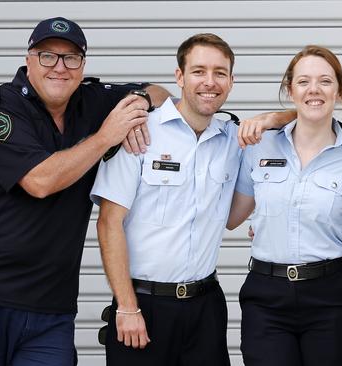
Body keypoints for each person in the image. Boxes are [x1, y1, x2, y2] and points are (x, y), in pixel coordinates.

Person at [0, 17, 169, 366]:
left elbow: (160, 92)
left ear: (82, 66)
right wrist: (106, 136)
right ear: (29, 60)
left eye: (71, 58)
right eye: (48, 56)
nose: (60, 67)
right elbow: (39, 181)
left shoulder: (90, 101)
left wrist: (140, 103)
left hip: (52, 309)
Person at [90, 33, 238, 365]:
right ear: (179, 77)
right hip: (144, 305)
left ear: (231, 80)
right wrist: (127, 307)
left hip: (206, 307)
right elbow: (109, 222)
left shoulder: (232, 140)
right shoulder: (140, 132)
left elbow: (299, 121)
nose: (209, 82)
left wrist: (273, 118)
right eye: (199, 71)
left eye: (220, 73)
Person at [226, 45, 342, 366]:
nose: (314, 89)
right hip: (266, 298)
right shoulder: (259, 145)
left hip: (330, 298)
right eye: (304, 81)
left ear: (340, 91)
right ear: (290, 90)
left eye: (325, 81)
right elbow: (230, 218)